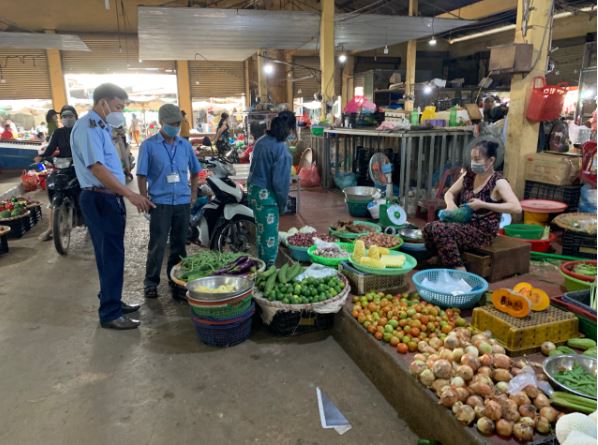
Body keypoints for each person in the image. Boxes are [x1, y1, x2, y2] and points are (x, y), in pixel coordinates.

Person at [70, 83, 154, 330]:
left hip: (108, 198)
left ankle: (112, 300)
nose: (120, 111)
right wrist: (130, 194)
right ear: (103, 102)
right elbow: (96, 168)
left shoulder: (102, 126)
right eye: (118, 106)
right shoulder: (88, 127)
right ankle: (109, 313)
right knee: (110, 255)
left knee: (111, 254)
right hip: (100, 199)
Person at [423, 140, 521, 271]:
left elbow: (516, 207)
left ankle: (459, 270)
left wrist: (483, 204)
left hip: (482, 232)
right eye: (472, 159)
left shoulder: (498, 181)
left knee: (440, 229)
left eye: (477, 159)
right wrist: (451, 205)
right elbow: (450, 193)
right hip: (464, 224)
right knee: (428, 228)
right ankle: (438, 259)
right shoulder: (468, 175)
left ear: (491, 160)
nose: (473, 163)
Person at [137, 104, 201, 300]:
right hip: (160, 203)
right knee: (157, 245)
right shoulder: (149, 146)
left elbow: (196, 172)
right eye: (172, 123)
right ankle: (151, 283)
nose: (176, 127)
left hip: (182, 202)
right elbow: (141, 175)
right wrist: (143, 197)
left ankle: (177, 283)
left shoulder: (185, 146)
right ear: (161, 122)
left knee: (179, 245)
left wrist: (193, 194)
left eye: (178, 124)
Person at [247, 111, 295, 266]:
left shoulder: (261, 141)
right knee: (269, 239)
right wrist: (282, 204)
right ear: (290, 129)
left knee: (261, 234)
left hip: (254, 192)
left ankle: (260, 267)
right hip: (267, 198)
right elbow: (280, 184)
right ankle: (267, 272)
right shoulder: (281, 149)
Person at [35, 105, 79, 241]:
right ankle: (50, 228)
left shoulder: (81, 131)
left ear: (75, 117)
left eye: (70, 116)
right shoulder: (58, 133)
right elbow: (50, 148)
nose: (67, 119)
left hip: (81, 166)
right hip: (64, 166)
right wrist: (42, 156)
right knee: (53, 185)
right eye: (64, 116)